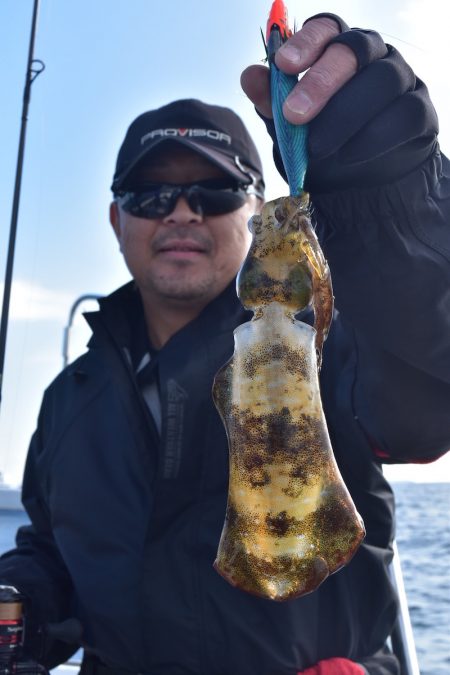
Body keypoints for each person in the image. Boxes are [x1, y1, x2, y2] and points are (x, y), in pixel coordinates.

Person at [1, 12, 449, 675]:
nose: (182, 211)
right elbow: (57, 549)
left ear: (257, 206)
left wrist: (394, 203)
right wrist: (21, 603)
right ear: (116, 218)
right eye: (152, 195)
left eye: (214, 190)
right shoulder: (68, 400)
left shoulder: (325, 342)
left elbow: (421, 401)